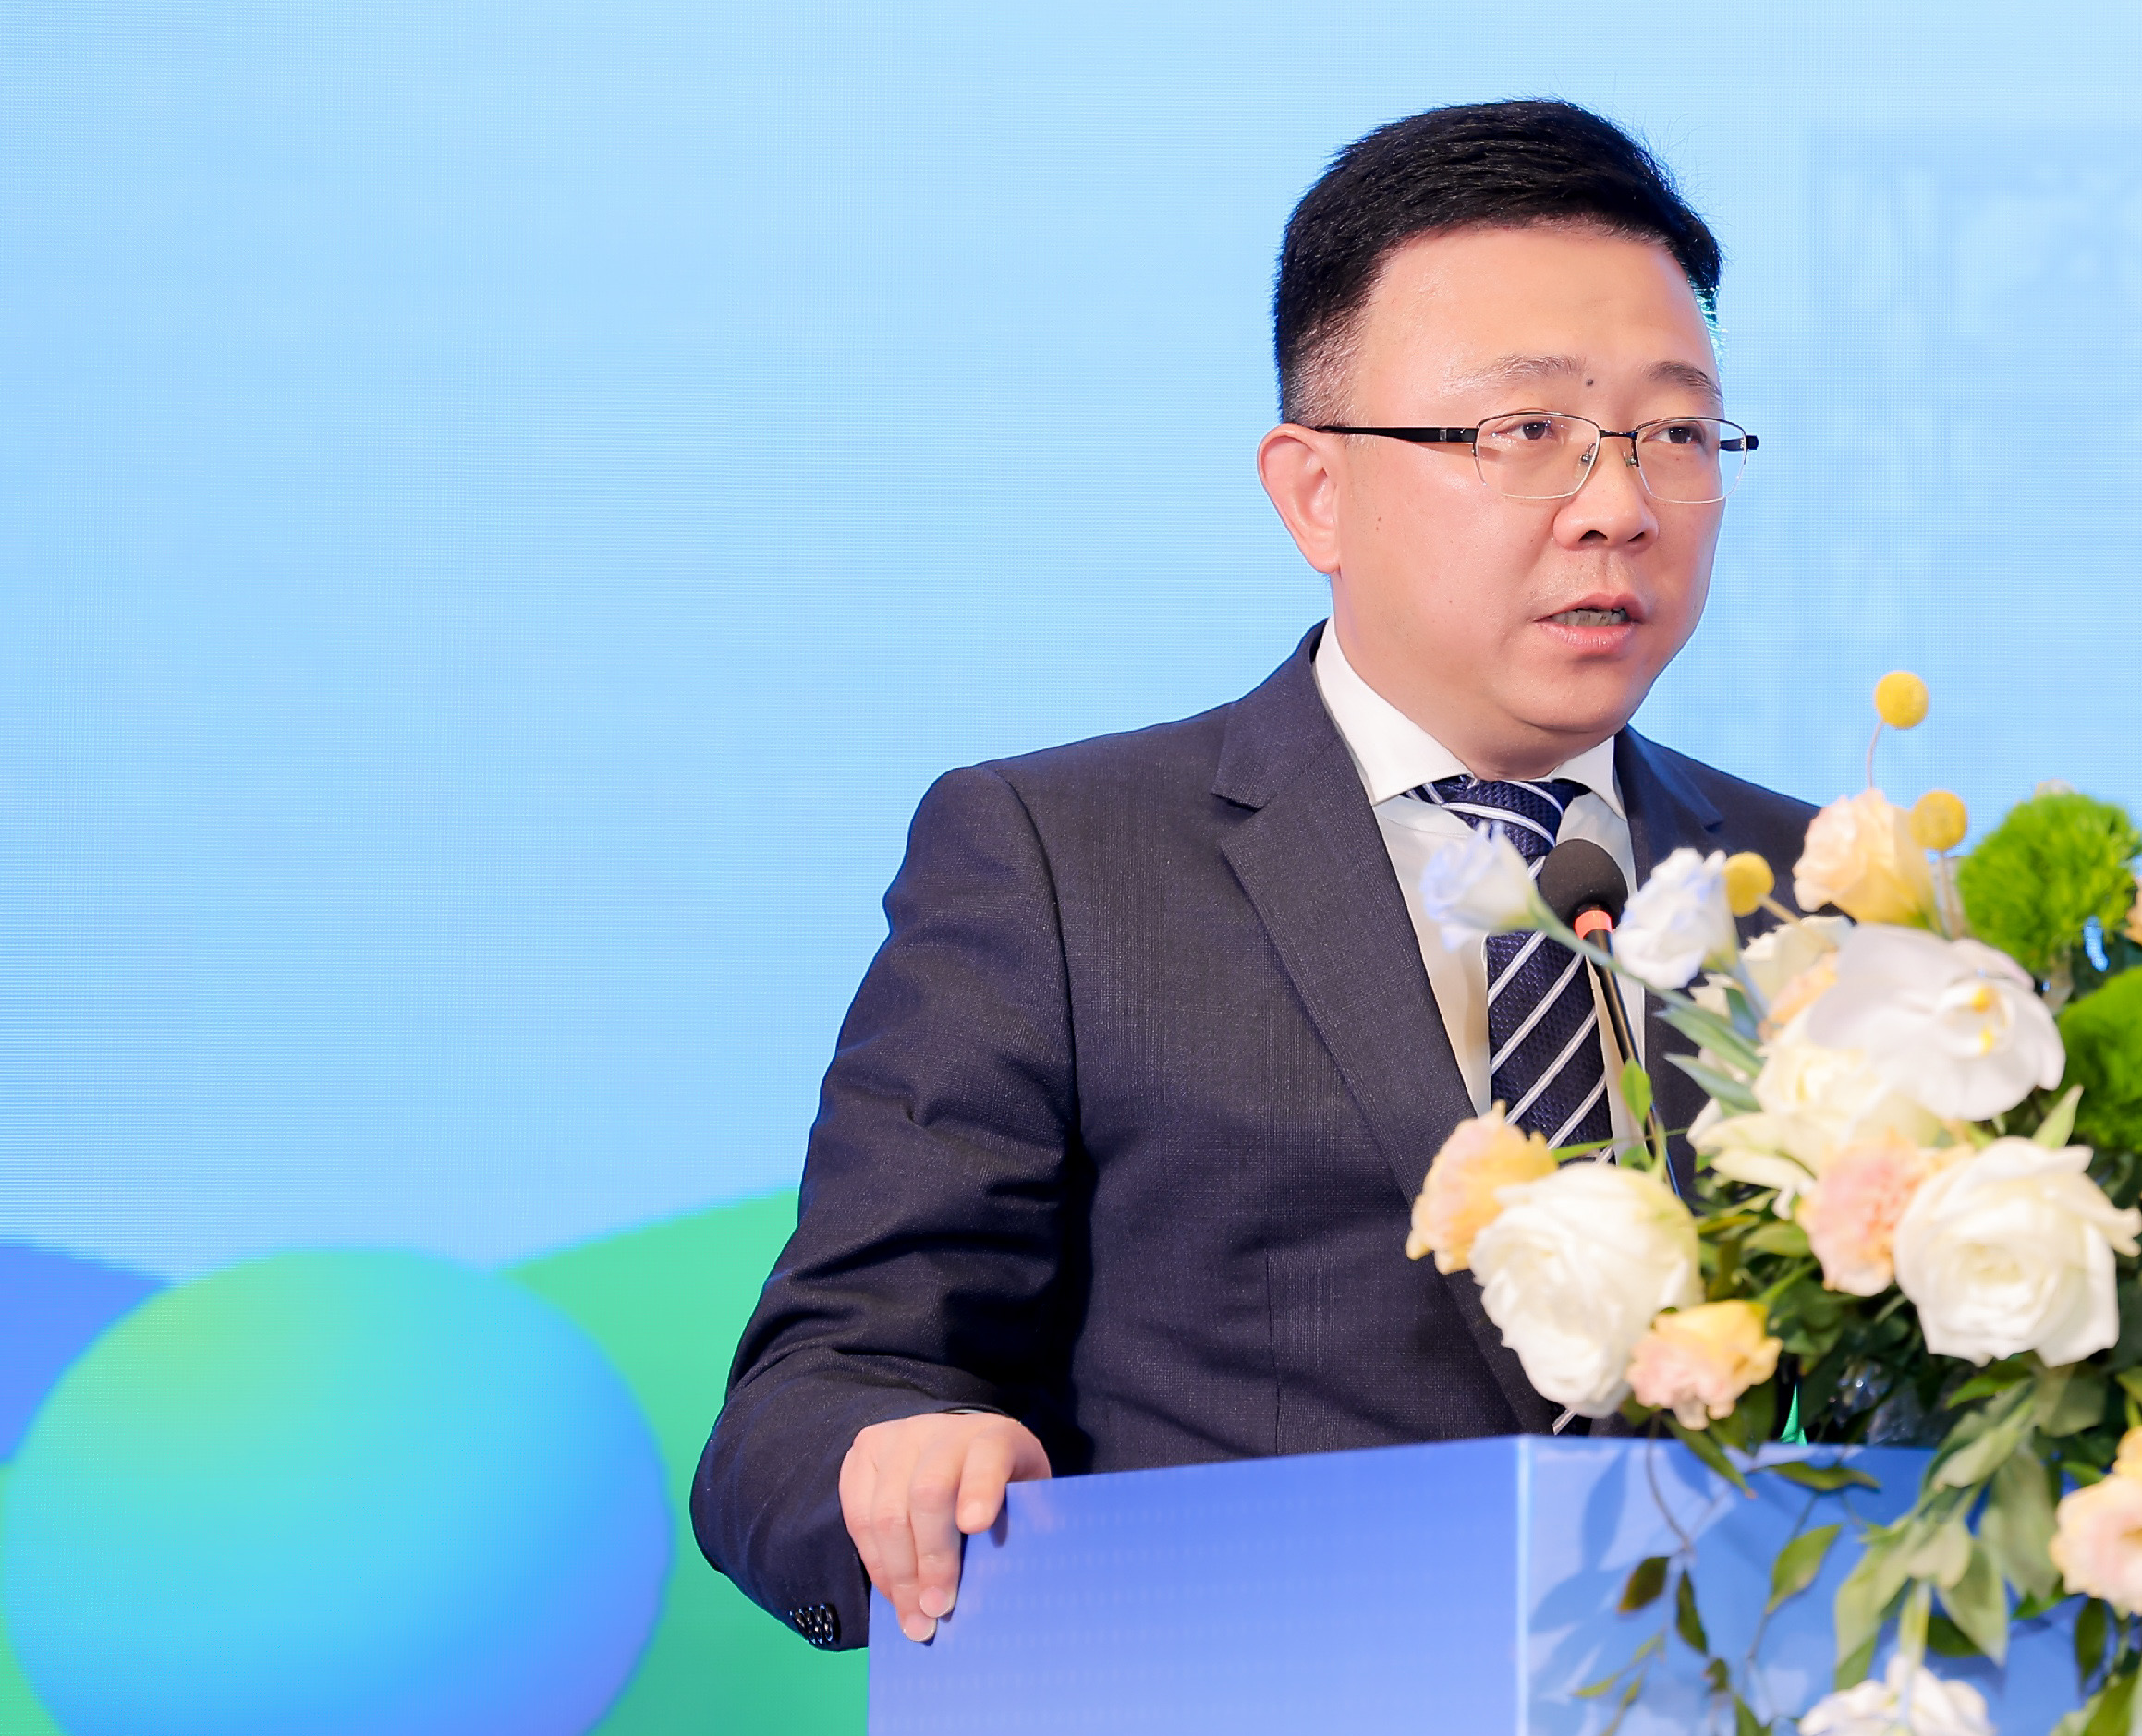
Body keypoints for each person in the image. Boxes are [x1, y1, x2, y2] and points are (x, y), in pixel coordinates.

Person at [690, 102, 1815, 1650]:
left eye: (1675, 434)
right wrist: (891, 1453)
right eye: (1524, 431)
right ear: (1315, 492)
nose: (1619, 503)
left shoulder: (1822, 895)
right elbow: (811, 1394)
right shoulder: (1062, 864)